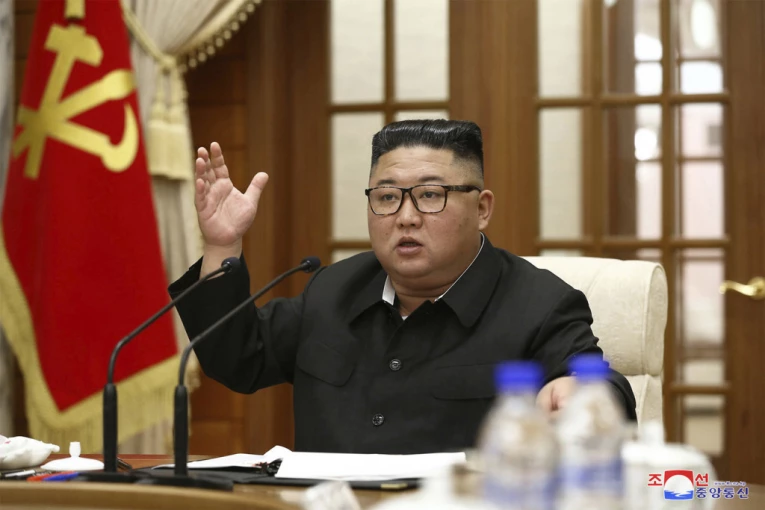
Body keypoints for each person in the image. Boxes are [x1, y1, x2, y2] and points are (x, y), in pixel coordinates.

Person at [169, 119, 637, 454]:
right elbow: (238, 358)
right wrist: (223, 245)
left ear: (482, 209)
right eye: (387, 197)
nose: (406, 217)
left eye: (431, 195)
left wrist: (581, 392)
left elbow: (600, 388)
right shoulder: (334, 288)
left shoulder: (540, 303)